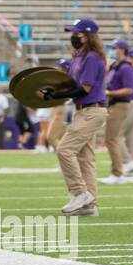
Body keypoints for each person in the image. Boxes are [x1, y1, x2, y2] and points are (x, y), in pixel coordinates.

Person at [49, 19, 109, 216]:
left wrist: (57, 96)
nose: (73, 36)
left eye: (77, 33)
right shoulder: (79, 57)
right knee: (85, 159)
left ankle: (79, 193)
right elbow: (72, 85)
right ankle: (90, 206)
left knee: (64, 150)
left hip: (92, 110)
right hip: (83, 110)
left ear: (88, 36)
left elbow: (84, 88)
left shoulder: (92, 58)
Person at [101, 40, 133, 185]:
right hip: (114, 104)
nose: (111, 50)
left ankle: (118, 173)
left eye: (114, 48)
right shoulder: (116, 66)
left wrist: (109, 92)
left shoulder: (126, 67)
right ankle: (119, 170)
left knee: (112, 139)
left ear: (122, 50)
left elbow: (129, 90)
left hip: (120, 105)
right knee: (111, 139)